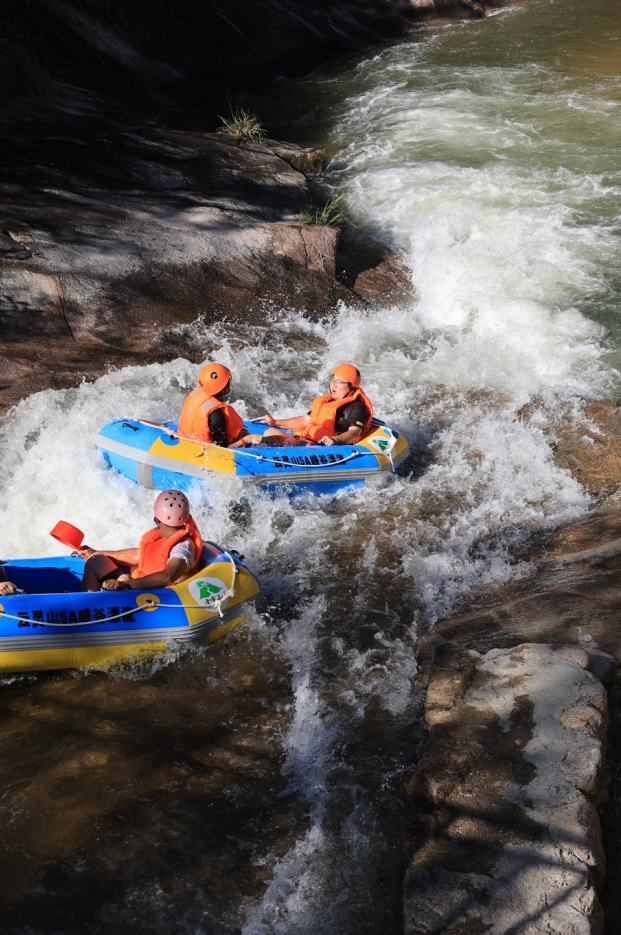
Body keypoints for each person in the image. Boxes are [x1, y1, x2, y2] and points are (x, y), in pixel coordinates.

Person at [80, 489, 203, 592]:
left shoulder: (183, 547)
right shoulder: (160, 535)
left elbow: (167, 577)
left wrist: (126, 585)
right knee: (95, 561)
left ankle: (88, 614)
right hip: (139, 585)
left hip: (159, 597)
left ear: (157, 518)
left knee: (123, 578)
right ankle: (82, 604)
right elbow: (137, 555)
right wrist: (97, 552)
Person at [244, 363, 373, 447]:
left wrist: (335, 440)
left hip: (319, 448)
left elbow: (354, 432)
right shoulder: (329, 402)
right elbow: (304, 421)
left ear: (351, 386)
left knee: (272, 437)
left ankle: (250, 451)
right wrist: (274, 421)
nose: (333, 385)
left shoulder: (357, 408)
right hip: (307, 441)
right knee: (270, 430)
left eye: (339, 382)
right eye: (333, 380)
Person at [178, 363, 248, 447]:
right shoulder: (216, 414)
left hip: (184, 437)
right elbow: (222, 448)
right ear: (224, 389)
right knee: (246, 434)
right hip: (201, 449)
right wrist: (247, 439)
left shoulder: (196, 394)